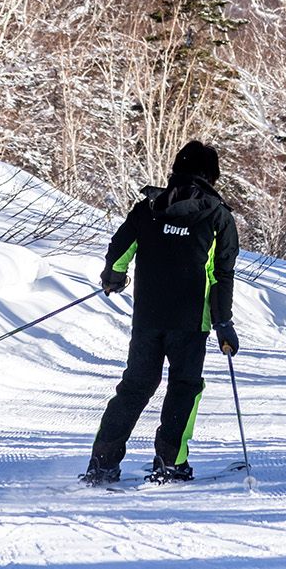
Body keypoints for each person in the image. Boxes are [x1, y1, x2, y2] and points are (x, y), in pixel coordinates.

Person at [80, 140, 240, 485]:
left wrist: (113, 277)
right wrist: (223, 322)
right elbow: (220, 275)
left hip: (148, 318)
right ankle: (171, 462)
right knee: (184, 386)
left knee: (136, 386)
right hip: (191, 320)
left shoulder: (148, 208)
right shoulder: (217, 216)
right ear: (211, 175)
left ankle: (102, 462)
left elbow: (120, 249)